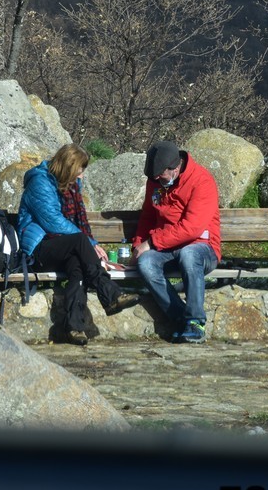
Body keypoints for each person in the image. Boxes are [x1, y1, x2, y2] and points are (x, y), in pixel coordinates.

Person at [17, 143, 137, 345]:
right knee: (80, 241)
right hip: (38, 249)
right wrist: (90, 243)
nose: (81, 176)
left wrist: (89, 244)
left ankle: (74, 327)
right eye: (78, 171)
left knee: (77, 267)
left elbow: (72, 225)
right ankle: (110, 293)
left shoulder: (68, 184)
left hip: (62, 246)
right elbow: (53, 222)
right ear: (67, 168)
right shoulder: (40, 183)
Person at [130, 141, 221, 343]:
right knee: (146, 263)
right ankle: (182, 319)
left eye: (160, 176)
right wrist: (138, 245)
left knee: (189, 255)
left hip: (201, 247)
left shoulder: (202, 181)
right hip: (167, 246)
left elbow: (192, 228)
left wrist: (151, 243)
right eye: (154, 178)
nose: (157, 181)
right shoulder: (155, 181)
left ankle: (196, 322)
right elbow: (147, 217)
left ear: (175, 168)